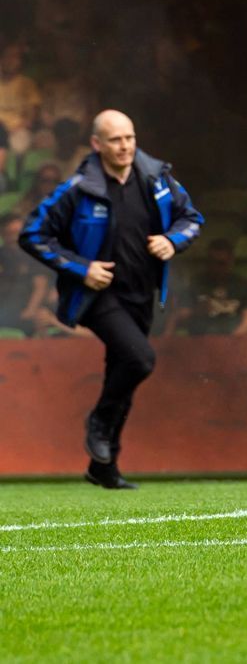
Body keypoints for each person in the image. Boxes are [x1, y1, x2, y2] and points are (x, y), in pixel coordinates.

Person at [20, 110, 204, 490]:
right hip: (97, 296)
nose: (125, 146)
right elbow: (33, 234)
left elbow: (192, 219)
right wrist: (81, 267)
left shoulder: (157, 180)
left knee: (124, 371)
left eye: (130, 138)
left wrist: (172, 241)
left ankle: (103, 466)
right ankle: (99, 423)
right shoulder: (77, 188)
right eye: (116, 140)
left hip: (142, 294)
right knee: (140, 359)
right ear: (97, 144)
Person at [163, 239, 247, 337]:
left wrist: (230, 343)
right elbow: (178, 316)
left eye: (221, 263)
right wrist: (196, 311)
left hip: (233, 341)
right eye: (211, 262)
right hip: (200, 341)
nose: (216, 267)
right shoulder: (195, 283)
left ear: (231, 261)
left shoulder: (243, 286)